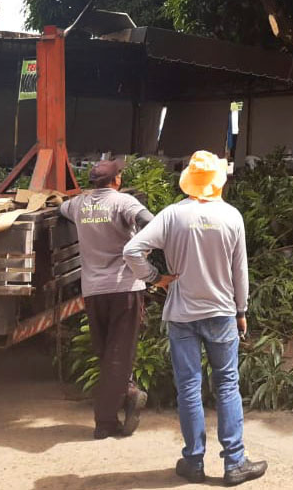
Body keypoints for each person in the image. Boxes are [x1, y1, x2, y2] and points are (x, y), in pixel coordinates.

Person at [123, 151, 267, 487]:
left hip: (182, 316)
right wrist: (241, 311)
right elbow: (239, 272)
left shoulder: (172, 216)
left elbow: (131, 250)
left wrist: (155, 277)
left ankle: (193, 461)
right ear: (217, 181)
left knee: (188, 389)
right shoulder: (231, 217)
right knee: (227, 386)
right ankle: (234, 463)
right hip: (220, 314)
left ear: (190, 180)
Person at [59, 159, 155, 440]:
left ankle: (127, 392)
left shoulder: (79, 205)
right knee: (119, 353)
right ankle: (105, 421)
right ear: (116, 180)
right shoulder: (123, 203)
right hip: (124, 288)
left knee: (106, 352)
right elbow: (149, 221)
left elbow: (59, 208)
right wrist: (143, 250)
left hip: (94, 291)